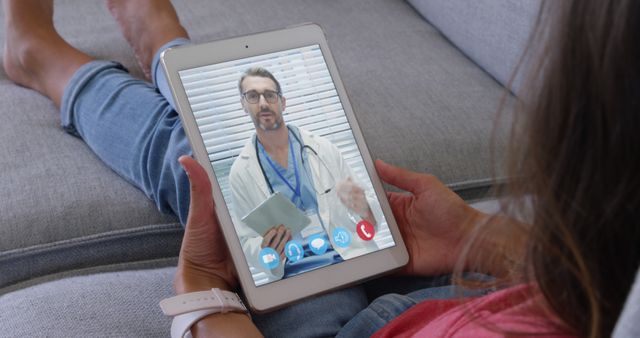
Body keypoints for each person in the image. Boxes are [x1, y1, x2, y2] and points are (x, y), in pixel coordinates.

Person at [4, 0, 640, 338]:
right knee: (257, 157)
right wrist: (491, 238)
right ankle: (167, 51)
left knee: (204, 168)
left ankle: (49, 62)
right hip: (485, 297)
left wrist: (207, 299)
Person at [229, 67, 381, 282]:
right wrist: (265, 248)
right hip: (296, 274)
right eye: (253, 96)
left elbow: (369, 214)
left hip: (348, 257)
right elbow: (245, 241)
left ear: (283, 102)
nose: (263, 103)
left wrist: (363, 207)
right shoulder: (240, 172)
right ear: (244, 105)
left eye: (270, 95)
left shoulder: (322, 148)